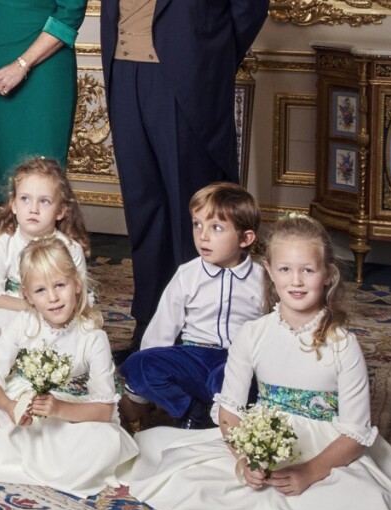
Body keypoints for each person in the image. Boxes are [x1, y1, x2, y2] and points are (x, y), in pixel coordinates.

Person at [123, 216, 391, 510]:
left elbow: (356, 432)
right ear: (269, 271)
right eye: (285, 270)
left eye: (308, 271)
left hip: (327, 446)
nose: (296, 281)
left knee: (361, 507)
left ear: (328, 274)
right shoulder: (254, 334)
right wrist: (245, 459)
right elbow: (230, 409)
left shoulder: (343, 344)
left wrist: (310, 472)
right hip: (265, 437)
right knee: (186, 479)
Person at [101, 0, 269, 353]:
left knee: (192, 212)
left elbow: (249, 7)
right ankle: (149, 328)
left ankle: (198, 333)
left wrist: (210, 57)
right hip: (124, 69)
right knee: (143, 210)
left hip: (186, 73)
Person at [0, 238, 139, 497]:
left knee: (105, 441)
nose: (53, 298)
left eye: (60, 285)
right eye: (41, 291)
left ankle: (14, 456)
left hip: (67, 418)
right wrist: (9, 406)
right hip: (19, 409)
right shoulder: (23, 323)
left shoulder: (92, 337)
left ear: (77, 284)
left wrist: (59, 408)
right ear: (27, 295)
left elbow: (104, 411)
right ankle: (34, 459)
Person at [119, 183, 263, 430]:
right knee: (137, 364)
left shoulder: (262, 280)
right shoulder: (188, 275)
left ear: (245, 238)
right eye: (197, 224)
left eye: (216, 228)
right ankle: (191, 410)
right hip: (192, 358)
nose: (203, 236)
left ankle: (223, 421)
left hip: (236, 361)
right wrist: (142, 387)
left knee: (231, 379)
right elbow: (162, 328)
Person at [0, 0, 88, 238]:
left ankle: (41, 262)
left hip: (45, 65)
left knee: (41, 172)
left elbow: (70, 13)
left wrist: (22, 65)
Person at [0, 156, 89, 377]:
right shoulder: (5, 242)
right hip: (11, 308)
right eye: (25, 199)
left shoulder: (70, 249)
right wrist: (31, 306)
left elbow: (80, 299)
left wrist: (48, 309)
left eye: (44, 201)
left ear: (60, 211)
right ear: (14, 205)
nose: (34, 209)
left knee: (75, 341)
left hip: (55, 311)